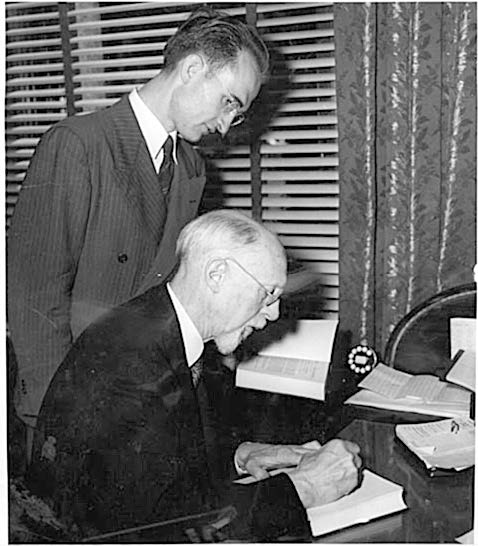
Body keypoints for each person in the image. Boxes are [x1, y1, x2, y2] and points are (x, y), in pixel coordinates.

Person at [27, 210, 361, 542]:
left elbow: (156, 460)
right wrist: (303, 488)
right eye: (268, 293)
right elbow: (166, 527)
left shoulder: (161, 324)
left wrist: (239, 454)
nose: (274, 313)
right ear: (217, 274)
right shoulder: (131, 364)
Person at [7, 7, 270, 427]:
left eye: (236, 115)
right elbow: (33, 298)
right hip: (74, 400)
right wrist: (52, 417)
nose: (225, 126)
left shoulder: (191, 168)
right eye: (228, 103)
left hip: (144, 397)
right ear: (192, 68)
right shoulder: (79, 145)